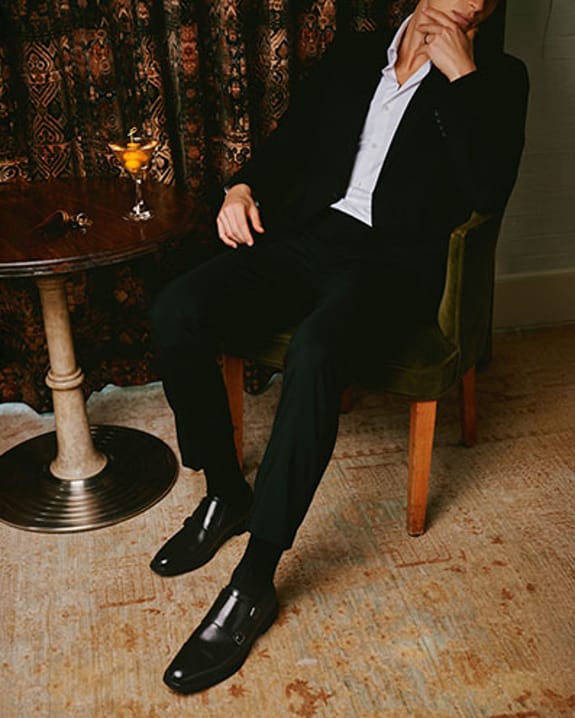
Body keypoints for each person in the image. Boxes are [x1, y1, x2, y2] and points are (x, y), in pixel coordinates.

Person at [150, 0, 528, 694]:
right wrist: (241, 187)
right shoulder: (354, 55)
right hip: (308, 238)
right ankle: (226, 493)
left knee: (317, 349)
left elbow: (487, 191)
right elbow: (293, 140)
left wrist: (462, 81)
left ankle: (255, 577)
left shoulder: (498, 77)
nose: (477, 3)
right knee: (179, 309)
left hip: (392, 266)